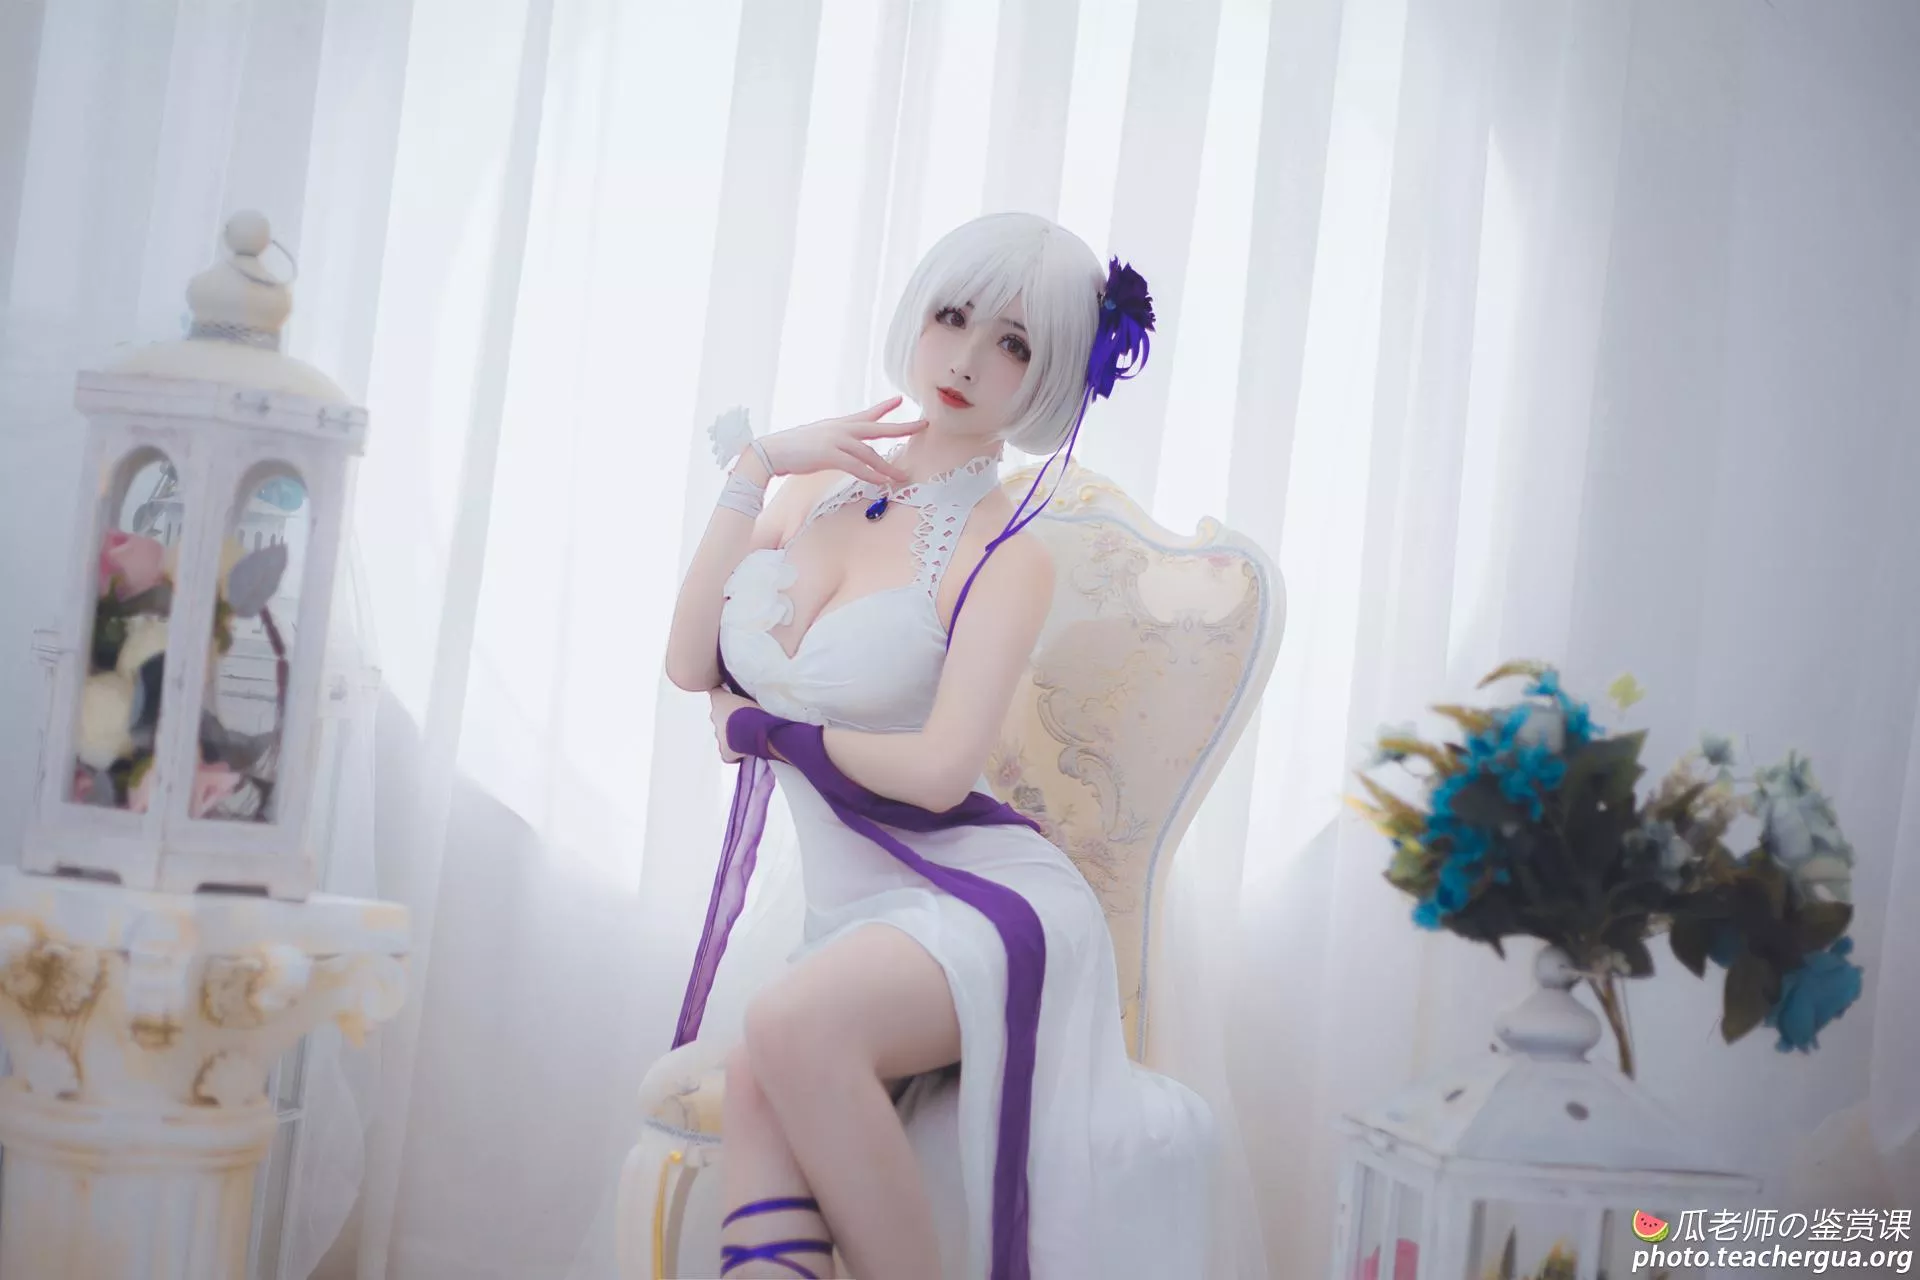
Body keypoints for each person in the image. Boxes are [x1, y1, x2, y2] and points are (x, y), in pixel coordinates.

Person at [661, 212, 1208, 1280]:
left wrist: (765, 728)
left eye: (1013, 343)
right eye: (954, 317)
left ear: (1050, 376)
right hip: (851, 905)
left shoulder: (1007, 554)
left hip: (984, 900)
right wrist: (757, 466)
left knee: (787, 1028)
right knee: (767, 1066)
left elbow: (938, 772)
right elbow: (691, 662)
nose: (964, 360)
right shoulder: (808, 491)